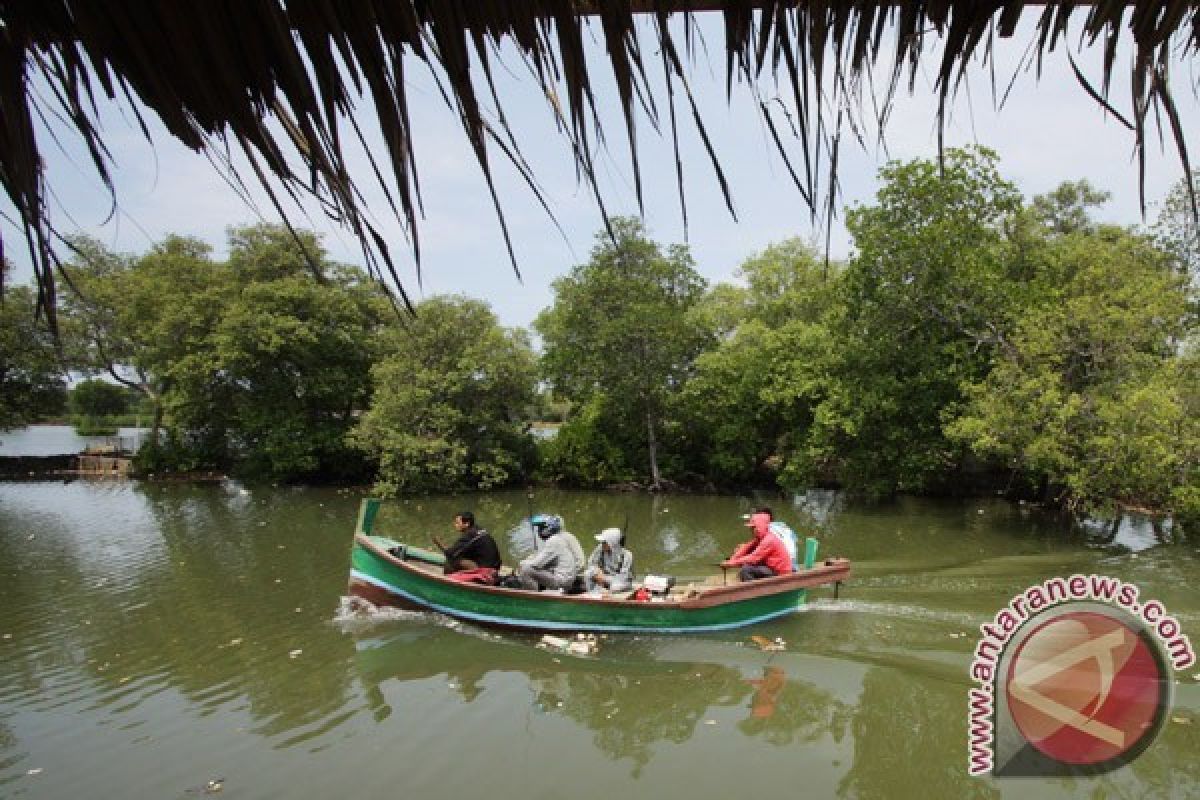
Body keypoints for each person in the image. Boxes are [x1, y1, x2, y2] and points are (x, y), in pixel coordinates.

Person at [518, 514, 585, 591]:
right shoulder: (563, 536)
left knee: (526, 570)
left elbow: (537, 564)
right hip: (570, 575)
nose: (539, 531)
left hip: (568, 578)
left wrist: (523, 563)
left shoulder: (555, 540)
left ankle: (534, 598)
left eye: (541, 528)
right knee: (532, 565)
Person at [722, 510, 793, 581]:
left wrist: (731, 564)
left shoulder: (768, 540)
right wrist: (732, 559)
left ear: (759, 527)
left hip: (781, 573)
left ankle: (752, 590)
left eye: (753, 528)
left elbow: (753, 558)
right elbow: (746, 548)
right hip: (772, 568)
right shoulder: (761, 538)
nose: (751, 530)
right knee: (744, 556)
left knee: (746, 570)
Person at [433, 511, 502, 575]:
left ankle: (448, 583)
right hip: (495, 568)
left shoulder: (469, 535)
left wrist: (438, 543)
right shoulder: (479, 529)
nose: (455, 525)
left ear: (467, 524)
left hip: (486, 571)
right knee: (461, 555)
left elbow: (450, 553)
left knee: (451, 561)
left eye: (457, 523)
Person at [585, 527, 634, 593]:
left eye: (604, 542)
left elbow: (623, 577)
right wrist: (597, 572)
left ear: (612, 542)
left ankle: (607, 595)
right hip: (604, 576)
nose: (602, 544)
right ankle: (592, 593)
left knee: (616, 586)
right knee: (587, 573)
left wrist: (605, 580)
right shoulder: (600, 548)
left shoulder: (627, 555)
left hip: (620, 581)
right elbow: (591, 563)